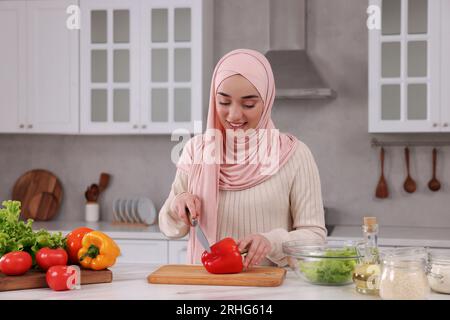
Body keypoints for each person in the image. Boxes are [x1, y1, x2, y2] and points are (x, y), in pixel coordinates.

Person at [159, 49, 326, 268]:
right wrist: (177, 204)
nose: (234, 115)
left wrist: (272, 241)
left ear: (267, 101)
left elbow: (315, 238)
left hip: (270, 291)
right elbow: (170, 227)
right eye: (224, 102)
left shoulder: (295, 155)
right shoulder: (196, 150)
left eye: (248, 104)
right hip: (204, 288)